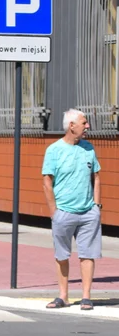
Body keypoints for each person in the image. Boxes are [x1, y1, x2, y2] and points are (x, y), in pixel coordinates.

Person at [43, 109, 102, 310]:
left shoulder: (88, 148)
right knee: (62, 256)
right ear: (71, 126)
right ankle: (63, 296)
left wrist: (96, 206)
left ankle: (86, 296)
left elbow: (96, 176)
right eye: (84, 123)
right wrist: (54, 211)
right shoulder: (54, 150)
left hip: (88, 213)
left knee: (88, 254)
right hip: (64, 212)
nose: (87, 126)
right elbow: (47, 182)